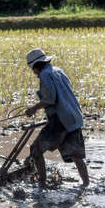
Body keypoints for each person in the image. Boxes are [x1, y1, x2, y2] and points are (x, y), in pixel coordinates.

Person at [25, 48, 89, 188]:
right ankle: (86, 184)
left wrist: (33, 109)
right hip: (73, 117)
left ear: (36, 67)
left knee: (35, 150)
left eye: (33, 69)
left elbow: (50, 100)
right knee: (76, 155)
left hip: (60, 120)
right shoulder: (58, 70)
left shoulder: (44, 75)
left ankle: (42, 183)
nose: (34, 73)